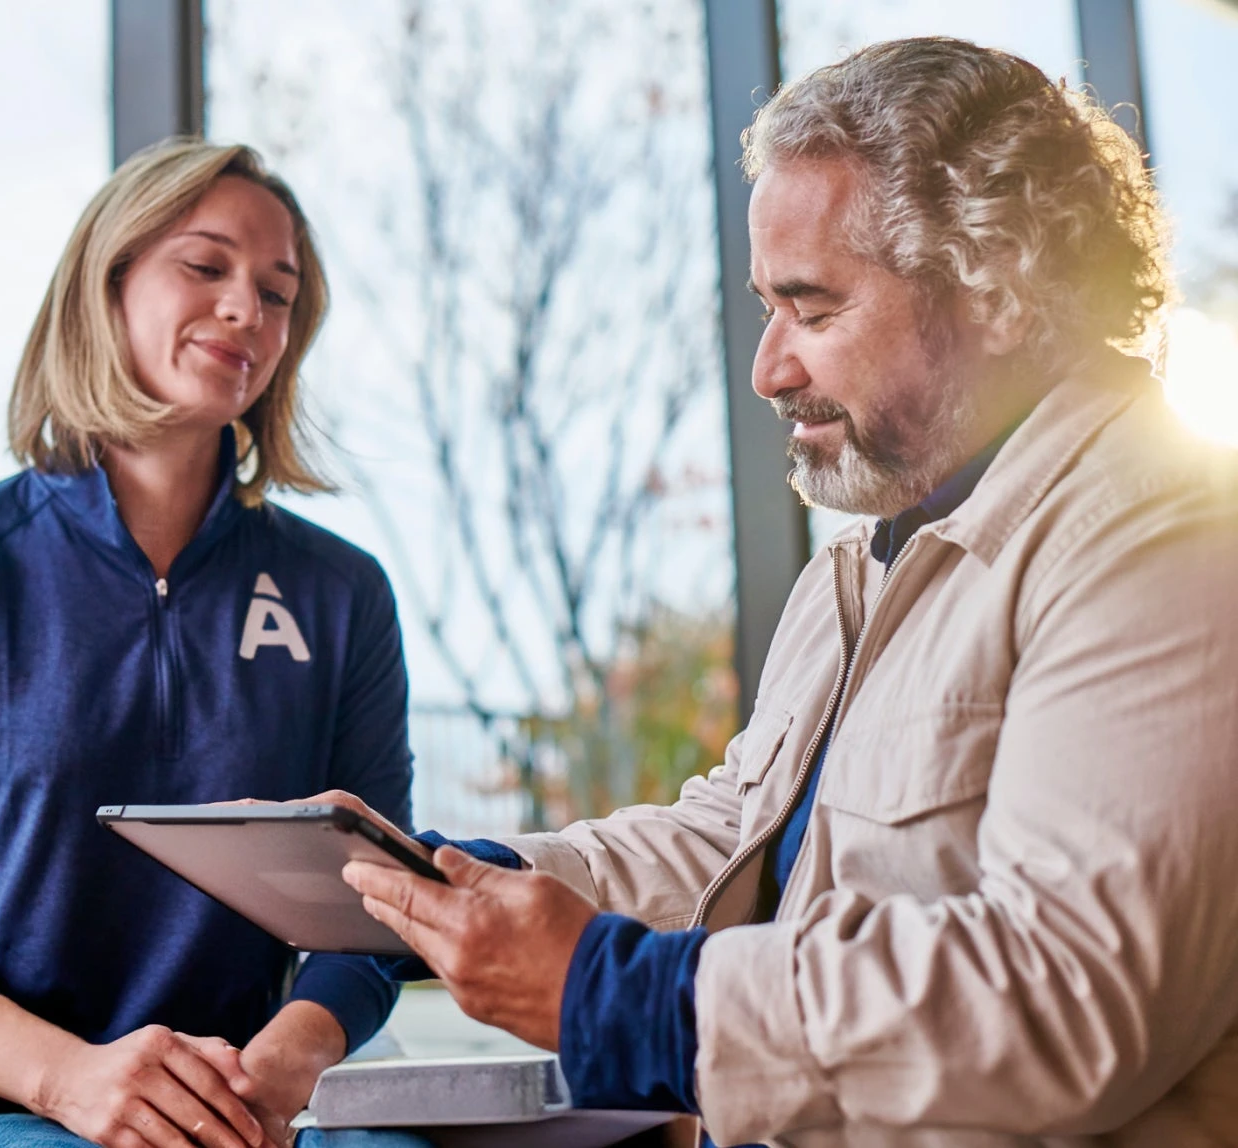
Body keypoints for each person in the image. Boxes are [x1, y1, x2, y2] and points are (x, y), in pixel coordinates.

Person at [330, 37, 1238, 1147]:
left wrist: (623, 996)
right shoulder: (865, 562)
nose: (769, 367)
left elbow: (1065, 995)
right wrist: (469, 881)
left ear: (996, 288)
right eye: (767, 308)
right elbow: (740, 834)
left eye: (812, 309)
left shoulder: (1160, 538)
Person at [0, 140, 414, 1148]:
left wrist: (278, 1065)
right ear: (109, 284)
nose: (247, 310)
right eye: (206, 265)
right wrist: (71, 1081)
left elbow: (372, 910)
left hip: (236, 1106)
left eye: (277, 293)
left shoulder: (342, 592)